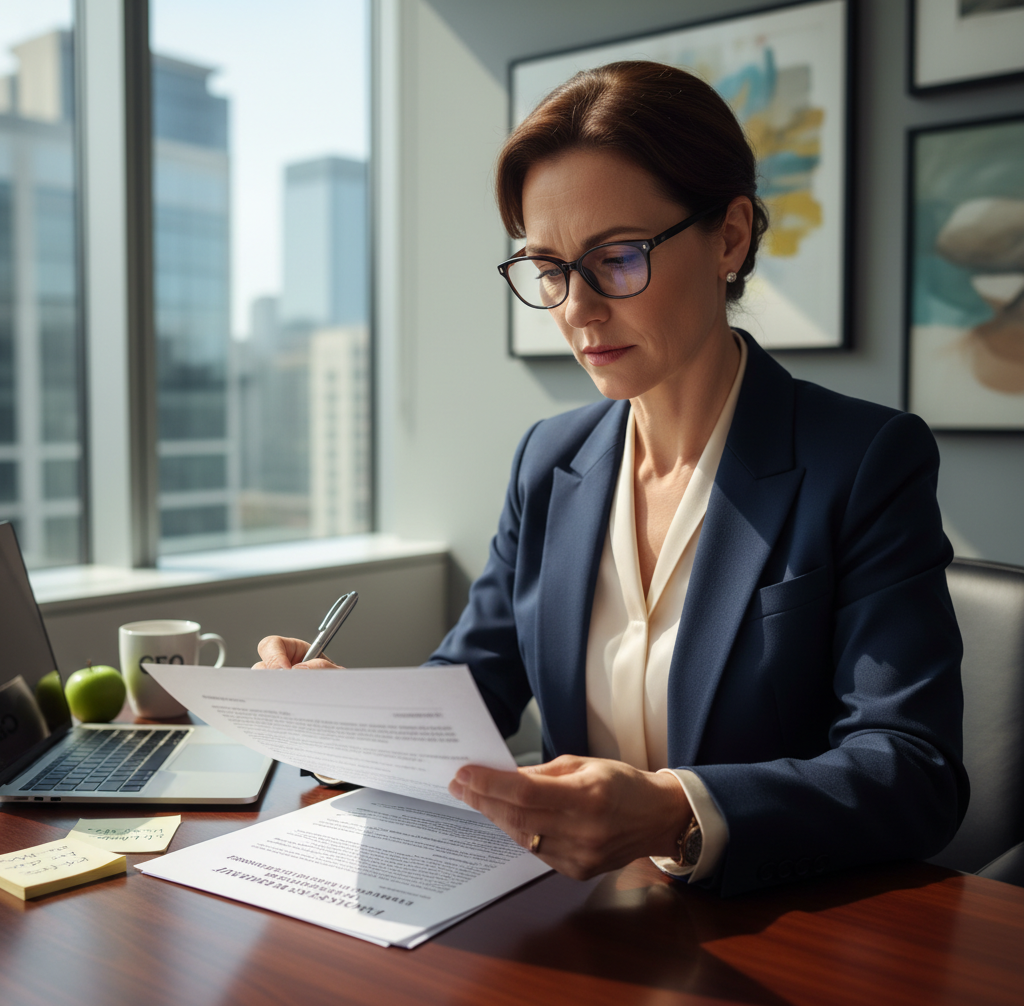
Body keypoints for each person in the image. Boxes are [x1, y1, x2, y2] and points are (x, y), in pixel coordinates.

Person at [255, 61, 968, 896]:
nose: (577, 309)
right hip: (584, 925)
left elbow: (913, 769)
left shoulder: (865, 458)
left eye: (618, 258)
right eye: (550, 267)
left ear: (730, 237)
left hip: (780, 936)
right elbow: (470, 690)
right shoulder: (549, 461)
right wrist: (347, 718)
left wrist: (676, 809)